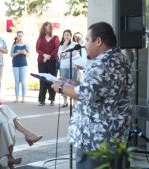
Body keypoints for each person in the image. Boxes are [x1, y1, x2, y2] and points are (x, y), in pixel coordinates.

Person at [51, 22, 134, 169]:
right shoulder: (119, 59)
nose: (85, 44)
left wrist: (61, 87)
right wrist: (73, 82)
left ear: (99, 41)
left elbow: (85, 94)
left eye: (88, 40)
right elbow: (101, 90)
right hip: (114, 137)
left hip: (95, 140)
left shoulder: (103, 63)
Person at [36, 21, 60, 106]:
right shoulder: (40, 38)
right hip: (41, 61)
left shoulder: (55, 37)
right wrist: (44, 55)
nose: (47, 28)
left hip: (52, 61)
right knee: (42, 80)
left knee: (51, 80)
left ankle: (52, 99)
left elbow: (57, 48)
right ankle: (42, 100)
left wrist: (49, 56)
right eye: (45, 26)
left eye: (49, 26)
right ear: (43, 28)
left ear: (51, 28)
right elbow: (37, 49)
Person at [57, 29, 80, 107]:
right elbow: (60, 55)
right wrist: (64, 46)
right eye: (65, 35)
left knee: (73, 83)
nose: (66, 36)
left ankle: (75, 102)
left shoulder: (74, 44)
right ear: (63, 36)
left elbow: (73, 54)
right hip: (63, 66)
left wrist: (64, 55)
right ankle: (65, 101)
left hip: (73, 66)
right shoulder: (61, 45)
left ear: (70, 36)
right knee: (64, 84)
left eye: (68, 35)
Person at [10, 31, 29, 103]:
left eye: (21, 36)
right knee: (16, 81)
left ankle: (23, 98)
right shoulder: (14, 45)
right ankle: (17, 97)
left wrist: (25, 53)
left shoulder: (26, 45)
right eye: (18, 36)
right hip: (15, 65)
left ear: (23, 36)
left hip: (23, 65)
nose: (20, 37)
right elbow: (11, 54)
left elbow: (29, 54)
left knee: (23, 81)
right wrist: (17, 53)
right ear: (17, 36)